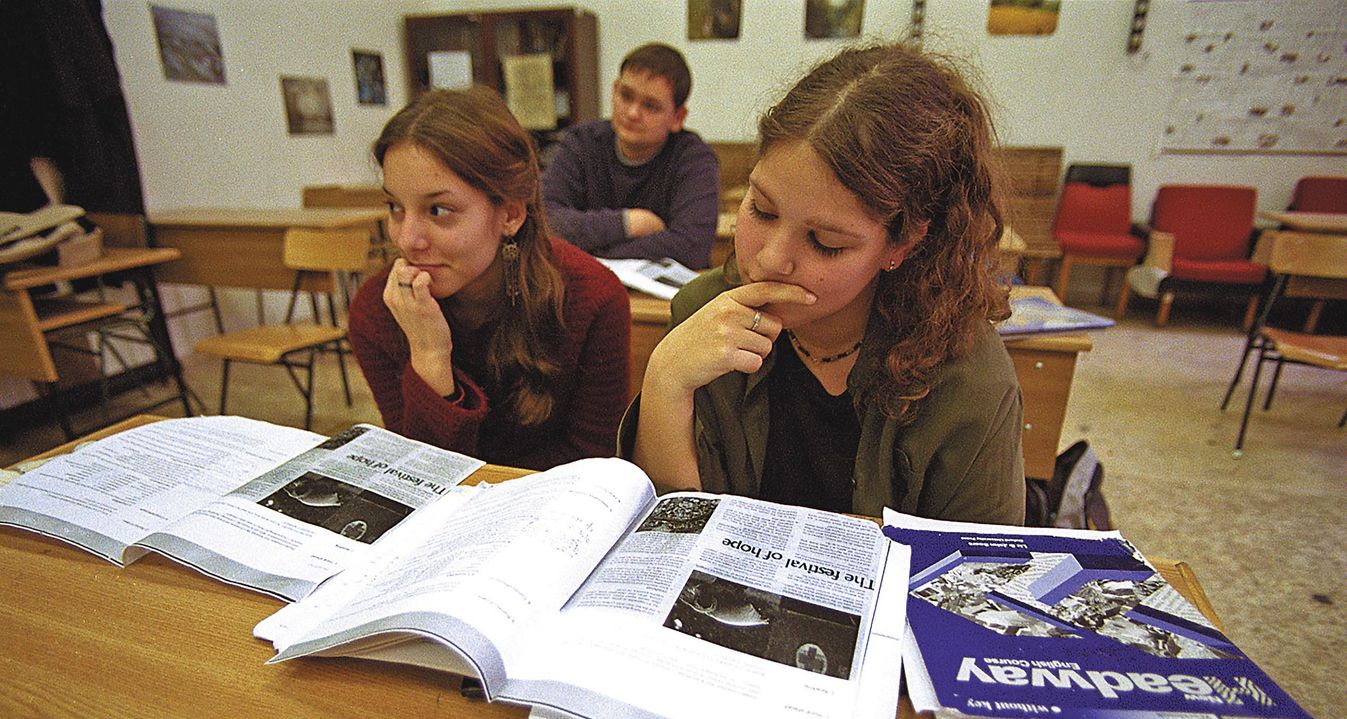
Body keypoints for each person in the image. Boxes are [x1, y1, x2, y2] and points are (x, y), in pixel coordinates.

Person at [626, 43, 1026, 525]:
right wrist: (665, 377)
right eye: (762, 210)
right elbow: (671, 537)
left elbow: (974, 575)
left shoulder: (967, 372)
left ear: (903, 244)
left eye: (826, 242)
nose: (771, 260)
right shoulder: (705, 310)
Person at [348, 86, 631, 470]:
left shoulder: (594, 298)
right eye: (395, 207)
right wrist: (430, 357)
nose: (406, 239)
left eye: (438, 210)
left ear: (511, 215)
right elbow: (417, 472)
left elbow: (590, 462)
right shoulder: (377, 309)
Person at [542, 43, 721, 269]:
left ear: (678, 117)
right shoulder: (580, 143)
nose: (633, 113)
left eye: (651, 106)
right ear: (615, 89)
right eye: (626, 96)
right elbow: (544, 220)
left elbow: (692, 246)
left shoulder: (695, 159)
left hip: (659, 299)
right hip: (586, 286)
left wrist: (592, 255)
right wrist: (627, 223)